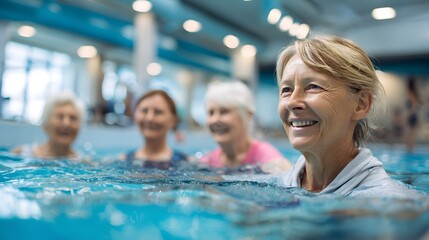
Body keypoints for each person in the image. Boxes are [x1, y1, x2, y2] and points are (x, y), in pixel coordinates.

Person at [276, 35, 425, 197]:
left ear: (361, 104)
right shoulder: (281, 184)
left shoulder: (391, 204)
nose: (292, 102)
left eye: (313, 87)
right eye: (286, 90)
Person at [201, 80, 292, 174]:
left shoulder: (266, 157)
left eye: (224, 111)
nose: (215, 119)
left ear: (248, 115)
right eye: (211, 113)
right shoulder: (208, 161)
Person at [119, 90, 188, 169]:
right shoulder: (123, 160)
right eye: (144, 111)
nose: (149, 118)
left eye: (158, 112)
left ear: (173, 120)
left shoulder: (186, 163)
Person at [12, 91, 86, 159]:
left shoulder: (84, 163)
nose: (66, 123)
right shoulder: (21, 153)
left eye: (73, 118)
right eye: (60, 117)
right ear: (45, 125)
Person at [403, 76, 422, 152]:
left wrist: (408, 115)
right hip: (413, 115)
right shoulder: (412, 92)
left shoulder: (411, 93)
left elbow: (414, 106)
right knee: (410, 133)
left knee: (410, 133)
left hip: (412, 115)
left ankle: (410, 149)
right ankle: (410, 149)